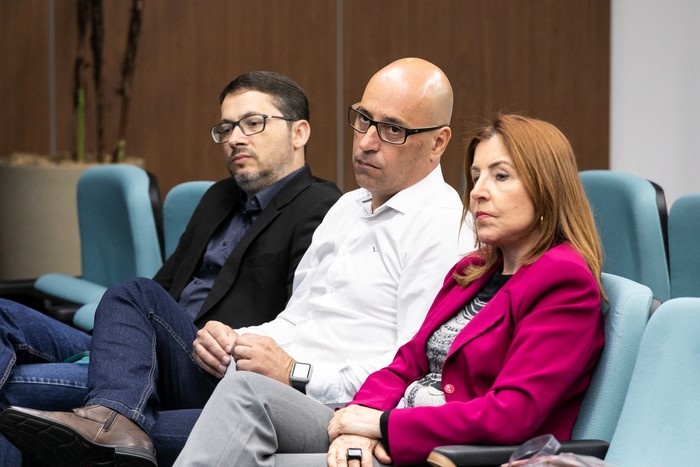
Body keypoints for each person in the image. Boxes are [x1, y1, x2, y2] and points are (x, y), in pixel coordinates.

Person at [0, 57, 472, 466]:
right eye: (363, 119)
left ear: (438, 142)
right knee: (134, 294)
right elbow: (296, 318)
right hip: (247, 375)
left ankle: (116, 420)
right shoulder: (348, 207)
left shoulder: (441, 227)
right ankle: (116, 419)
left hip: (309, 403)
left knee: (17, 399)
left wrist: (294, 372)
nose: (366, 141)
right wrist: (235, 338)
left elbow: (412, 370)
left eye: (392, 130)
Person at [173, 113, 607, 467]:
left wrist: (381, 426)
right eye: (475, 176)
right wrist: (355, 423)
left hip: (450, 453)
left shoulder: (563, 281)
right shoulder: (472, 270)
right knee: (246, 391)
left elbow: (511, 415)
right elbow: (405, 363)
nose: (478, 192)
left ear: (546, 187)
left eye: (501, 176)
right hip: (388, 430)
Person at [0, 70, 342, 465]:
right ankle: (116, 407)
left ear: (299, 133)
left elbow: (305, 323)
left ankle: (114, 417)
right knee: (5, 312)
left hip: (212, 367)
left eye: (253, 123)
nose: (235, 138)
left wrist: (232, 342)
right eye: (226, 128)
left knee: (19, 388)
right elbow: (165, 288)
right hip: (148, 352)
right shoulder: (218, 197)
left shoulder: (321, 206)